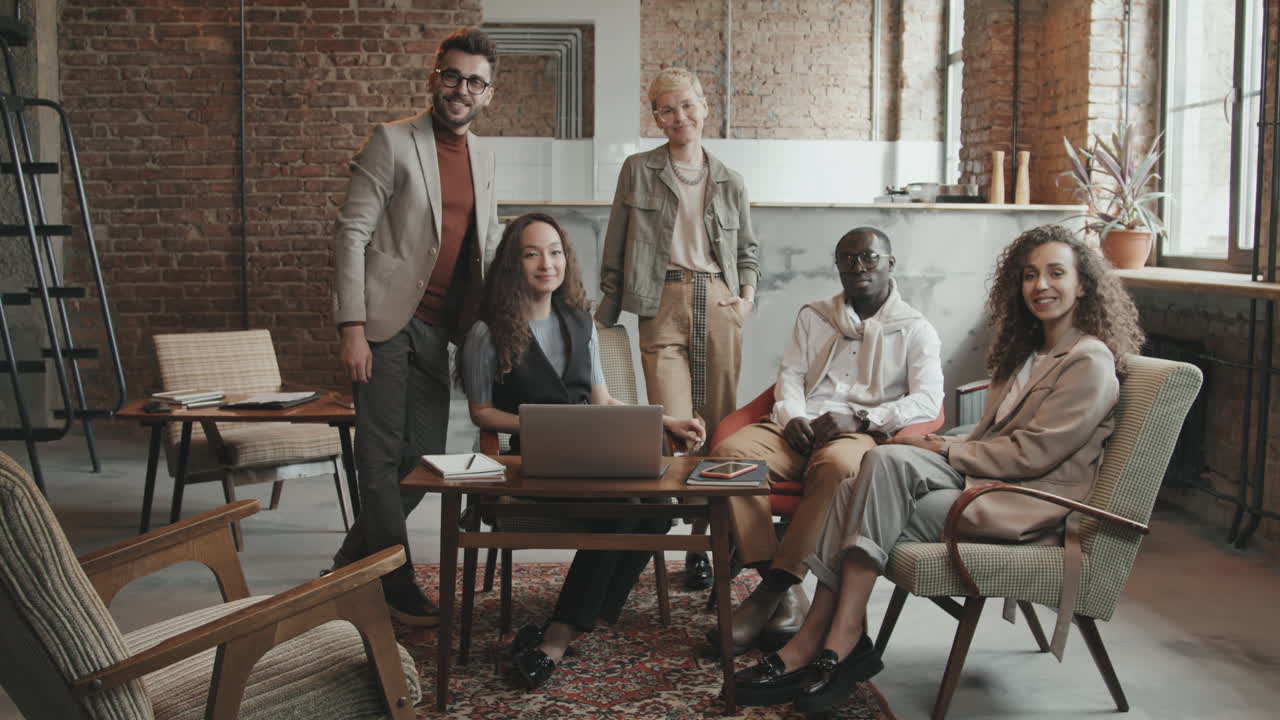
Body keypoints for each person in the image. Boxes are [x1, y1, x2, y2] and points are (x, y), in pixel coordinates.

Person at [732, 224, 1145, 713]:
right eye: (1030, 275)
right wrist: (941, 444)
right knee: (877, 465)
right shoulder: (1032, 354)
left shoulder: (1087, 363)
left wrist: (944, 450)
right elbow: (993, 441)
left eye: (1056, 274)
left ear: (1083, 285)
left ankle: (826, 641)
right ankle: (833, 640)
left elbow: (1031, 456)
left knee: (863, 486)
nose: (1041, 286)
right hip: (991, 480)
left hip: (1026, 503)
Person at [460, 212, 706, 689]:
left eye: (554, 252)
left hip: (596, 453)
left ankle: (574, 621)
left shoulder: (580, 322)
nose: (545, 263)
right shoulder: (485, 333)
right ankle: (557, 635)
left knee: (658, 509)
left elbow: (603, 401)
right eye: (531, 253)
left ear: (565, 260)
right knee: (626, 510)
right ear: (514, 263)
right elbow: (482, 413)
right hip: (538, 462)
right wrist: (539, 421)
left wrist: (664, 419)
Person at [329, 27, 502, 627]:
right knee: (378, 455)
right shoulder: (392, 141)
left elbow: (486, 244)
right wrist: (352, 325)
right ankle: (394, 579)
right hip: (384, 322)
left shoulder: (484, 154)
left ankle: (353, 562)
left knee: (425, 457)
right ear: (435, 76)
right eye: (451, 76)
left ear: (487, 93)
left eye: (473, 81)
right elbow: (352, 234)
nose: (461, 89)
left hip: (441, 329)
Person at [710, 226, 944, 654]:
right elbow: (791, 375)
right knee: (727, 460)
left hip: (858, 431)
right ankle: (777, 585)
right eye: (848, 259)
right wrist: (793, 415)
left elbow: (928, 400)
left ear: (890, 264)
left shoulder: (915, 328)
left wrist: (863, 418)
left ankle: (769, 594)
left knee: (839, 470)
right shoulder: (814, 315)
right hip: (801, 426)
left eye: (870, 258)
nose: (859, 267)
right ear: (837, 266)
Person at [596, 67, 761, 591]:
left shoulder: (730, 180)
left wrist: (747, 301)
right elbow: (617, 240)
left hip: (718, 299)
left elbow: (748, 251)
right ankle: (688, 537)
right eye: (666, 109)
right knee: (675, 422)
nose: (678, 117)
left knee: (718, 425)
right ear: (655, 116)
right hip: (659, 298)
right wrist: (602, 318)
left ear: (704, 105)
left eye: (686, 105)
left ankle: (706, 543)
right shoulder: (638, 169)